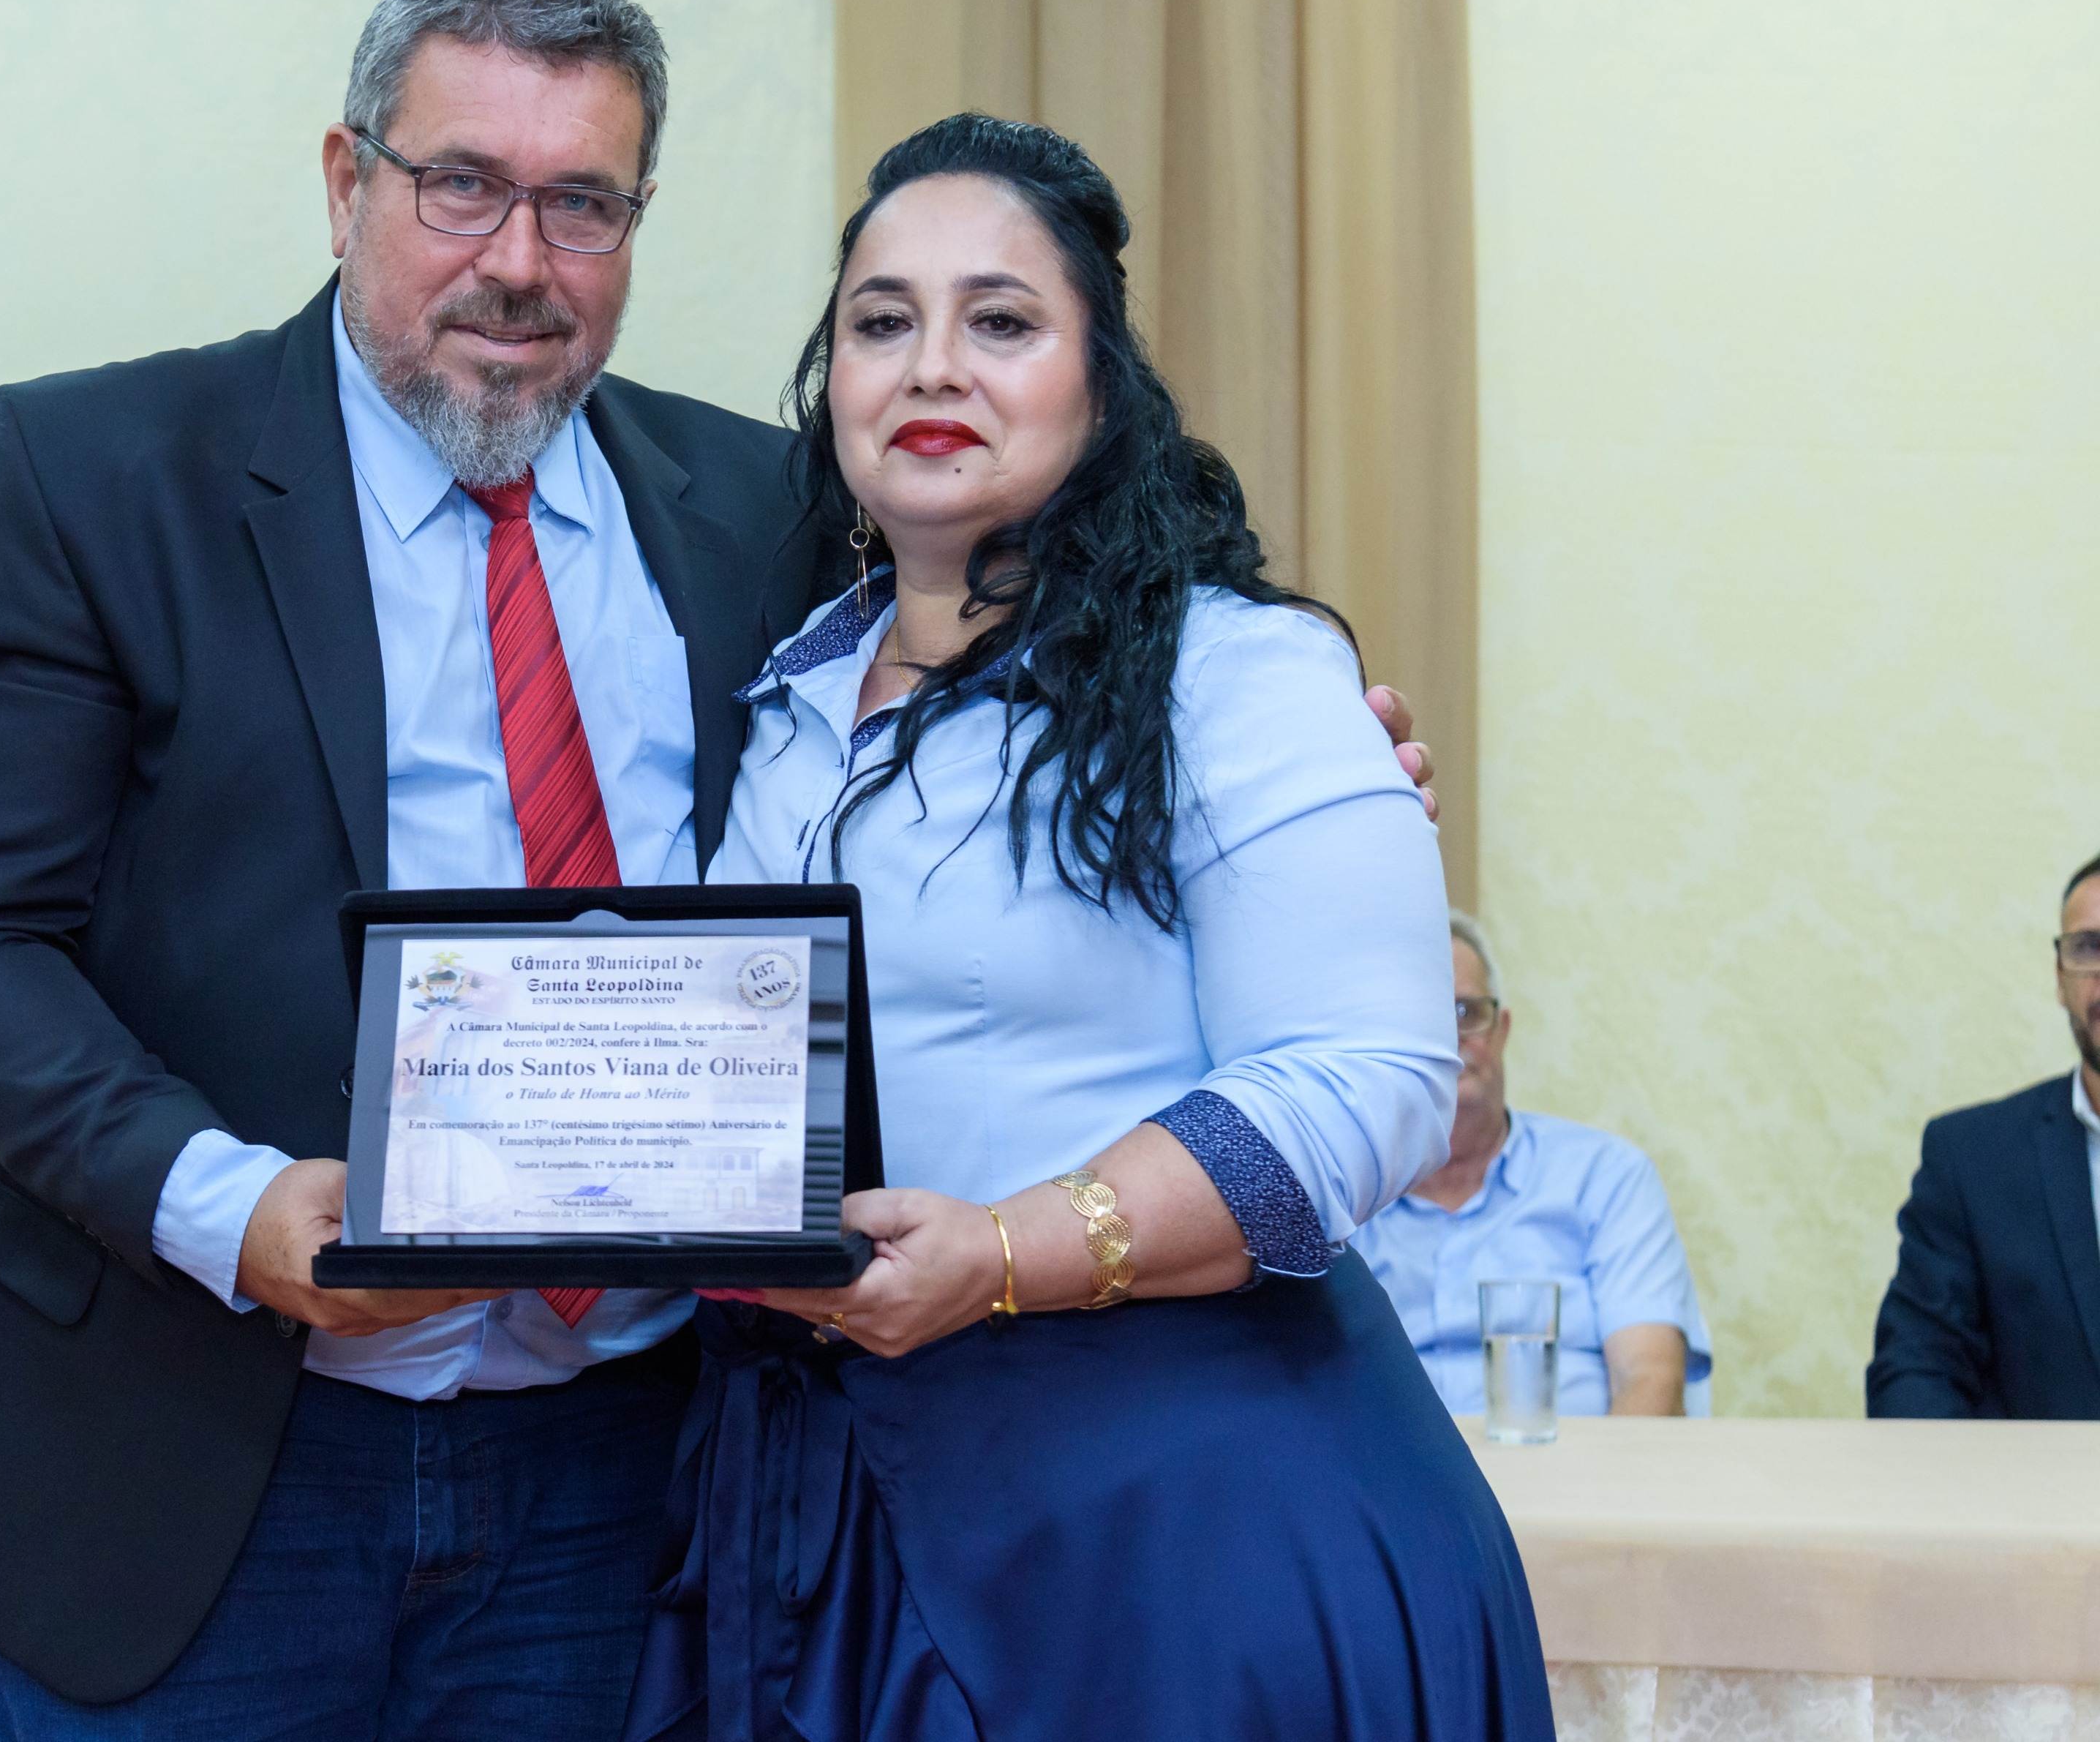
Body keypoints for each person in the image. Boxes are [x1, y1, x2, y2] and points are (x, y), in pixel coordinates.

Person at [0, 0, 1440, 1738]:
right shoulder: (91, 472)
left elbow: (1025, 666)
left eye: (581, 203)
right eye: (461, 185)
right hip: (184, 1448)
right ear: (346, 183)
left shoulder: (761, 512)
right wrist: (230, 1205)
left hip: (629, 1476)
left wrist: (1296, 765)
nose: (518, 259)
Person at [629, 116, 1548, 1741]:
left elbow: (1366, 1079)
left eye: (1000, 320)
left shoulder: (1234, 670)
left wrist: (1004, 1252)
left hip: (1174, 1520)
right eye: (881, 320)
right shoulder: (782, 695)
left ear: (1101, 387)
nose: (933, 363)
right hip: (827, 1499)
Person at [1350, 909, 1711, 1416]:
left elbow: (1651, 1378)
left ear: (1501, 1031)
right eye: (1422, 1019)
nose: (1448, 1038)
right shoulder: (1342, 1198)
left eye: (1465, 1012)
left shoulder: (1607, 1177)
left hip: (1574, 1463)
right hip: (1391, 1465)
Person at [1870, 852, 2100, 1417]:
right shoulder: (1973, 1159)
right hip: (2031, 1479)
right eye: (2089, 948)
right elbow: (1918, 1369)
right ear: (2060, 979)